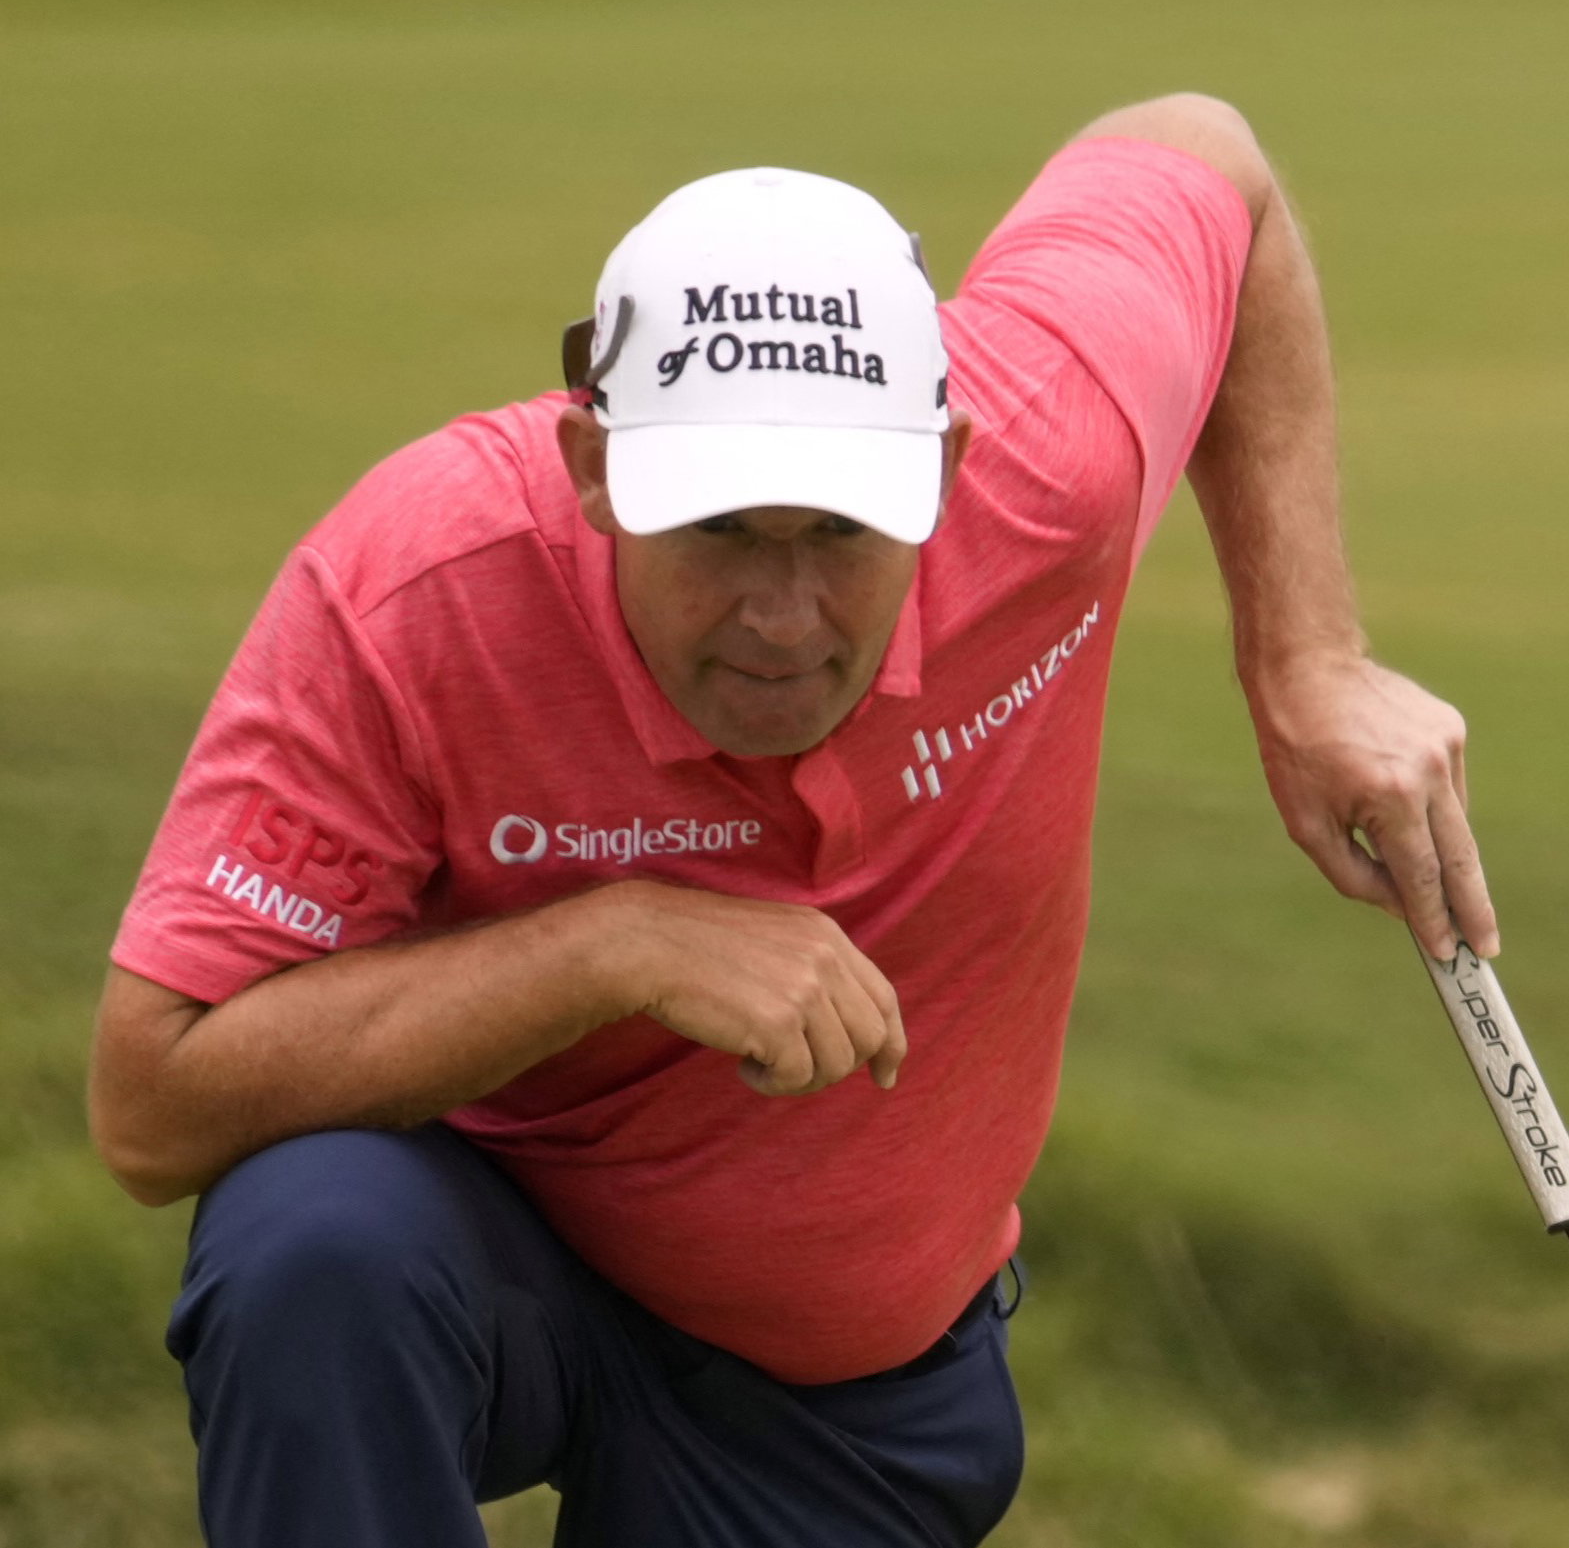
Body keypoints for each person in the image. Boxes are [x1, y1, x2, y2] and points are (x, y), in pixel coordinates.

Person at [90, 94, 1498, 1548]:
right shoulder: (412, 592)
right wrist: (613, 943)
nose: (779, 617)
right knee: (312, 1245)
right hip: (484, 1246)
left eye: (837, 534)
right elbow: (154, 1100)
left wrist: (1306, 655)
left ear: (944, 475)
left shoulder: (1046, 454)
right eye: (717, 532)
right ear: (596, 475)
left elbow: (1210, 159)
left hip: (838, 1395)